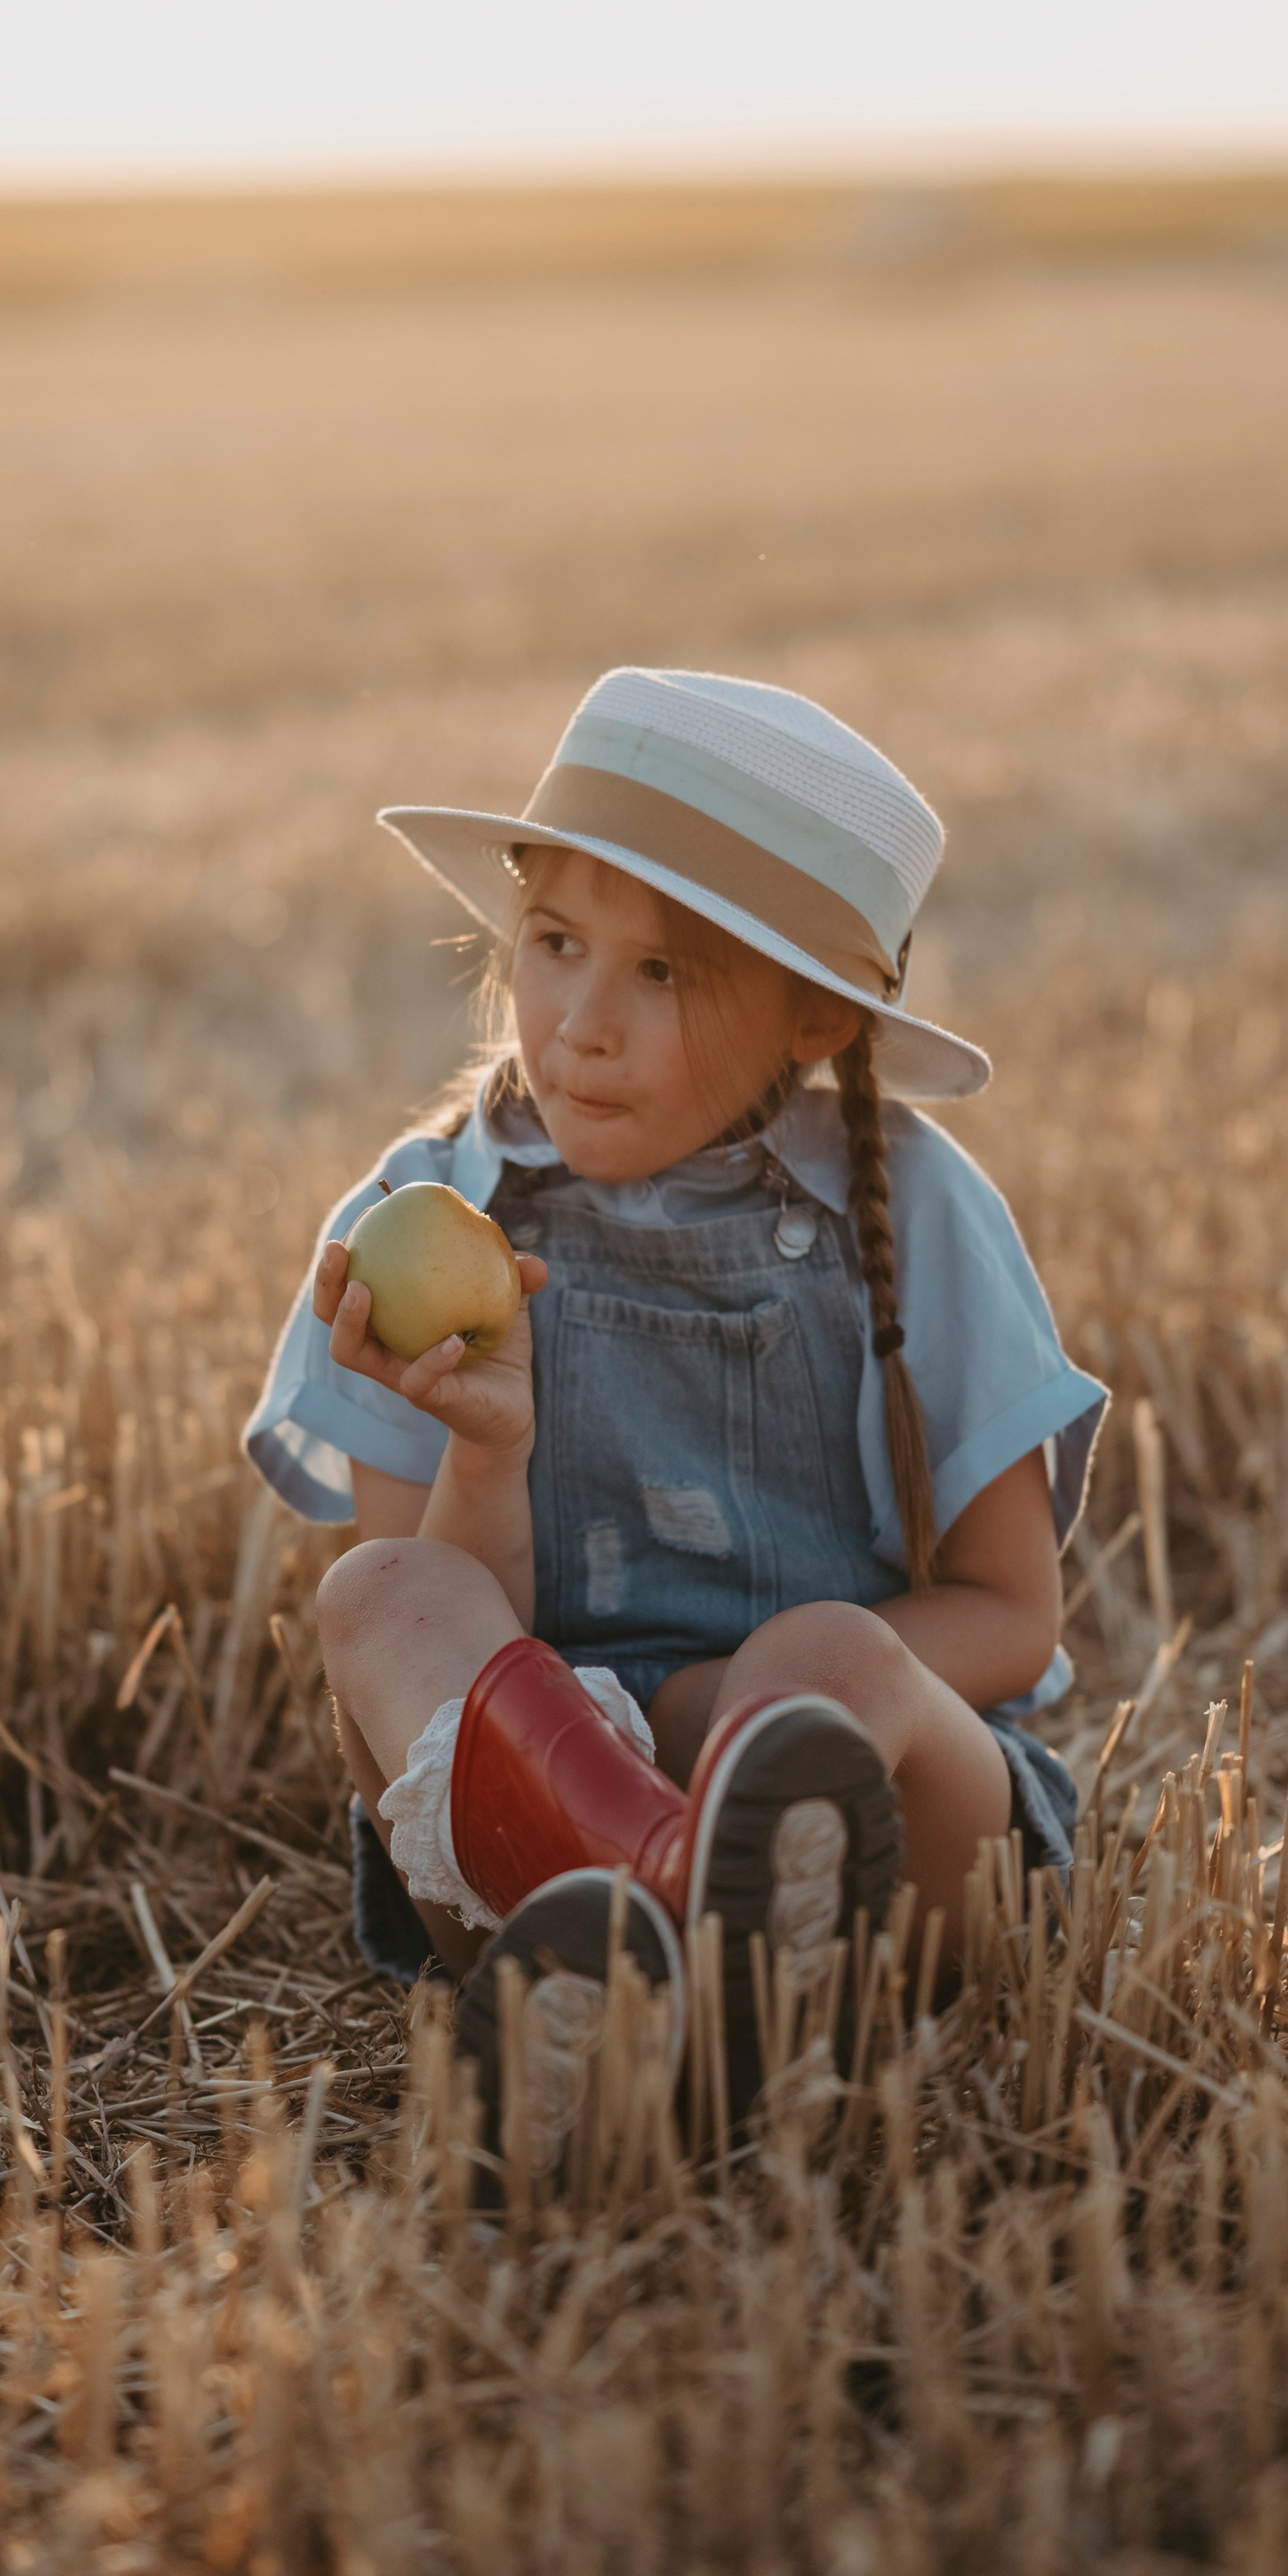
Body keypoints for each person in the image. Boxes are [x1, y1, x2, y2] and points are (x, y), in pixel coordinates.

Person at [245, 668, 1106, 2166]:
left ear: (815, 1015)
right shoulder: (426, 1206)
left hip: (871, 1827)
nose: (582, 1024)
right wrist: (490, 1450)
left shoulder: (922, 1210)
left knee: (830, 1659)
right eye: (556, 943)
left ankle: (690, 1952)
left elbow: (1015, 1618)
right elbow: (466, 1642)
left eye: (663, 971)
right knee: (379, 1597)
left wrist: (754, 1701)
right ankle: (668, 1957)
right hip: (536, 1798)